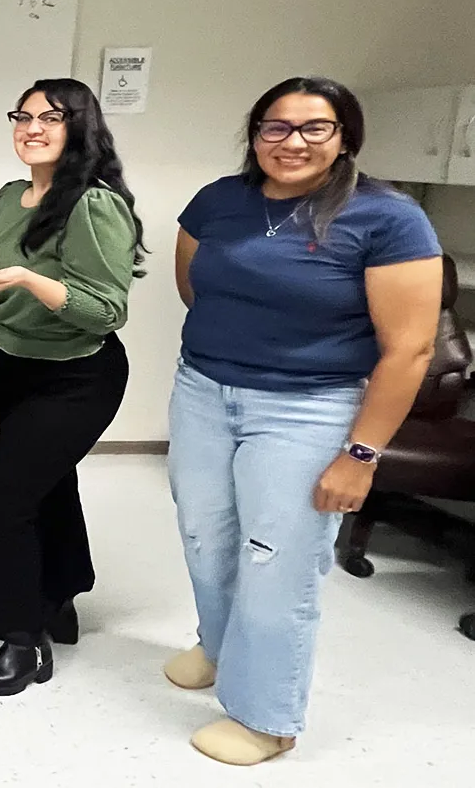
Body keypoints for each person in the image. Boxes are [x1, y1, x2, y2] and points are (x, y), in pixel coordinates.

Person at [166, 77, 441, 765]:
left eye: (313, 128)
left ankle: (268, 717)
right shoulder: (219, 200)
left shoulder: (389, 217)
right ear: (254, 133)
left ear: (345, 135)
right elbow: (192, 285)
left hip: (307, 406)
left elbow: (410, 346)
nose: (291, 142)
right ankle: (221, 647)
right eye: (275, 127)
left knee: (275, 558)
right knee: (205, 533)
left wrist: (361, 452)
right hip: (202, 389)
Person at [0, 79, 143, 695]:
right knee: (48, 486)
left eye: (50, 118)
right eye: (22, 116)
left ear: (79, 127)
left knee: (4, 495)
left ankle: (20, 635)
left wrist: (30, 281)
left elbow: (105, 310)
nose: (31, 128)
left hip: (78, 376)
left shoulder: (93, 203)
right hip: (15, 364)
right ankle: (58, 598)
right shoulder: (10, 196)